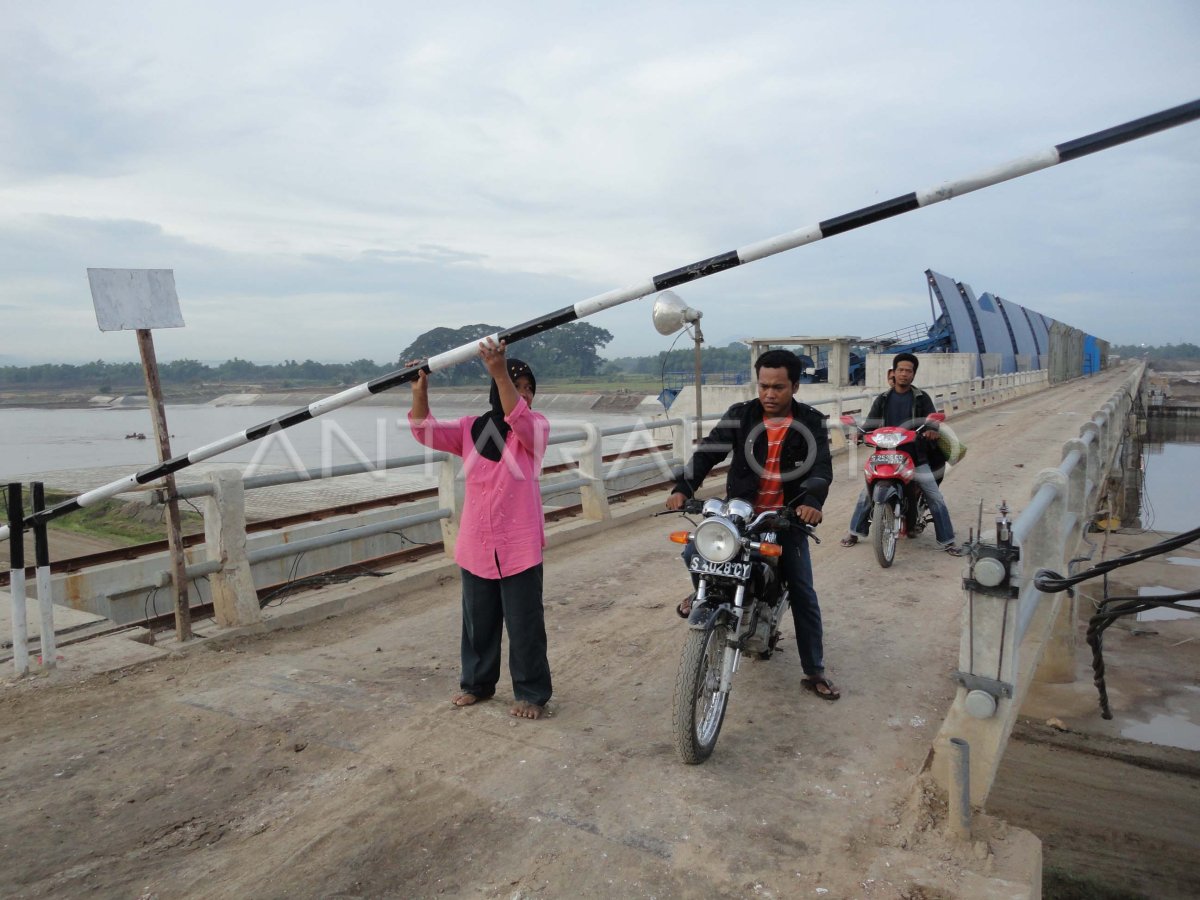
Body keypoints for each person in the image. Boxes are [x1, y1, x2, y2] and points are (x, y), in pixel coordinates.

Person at [665, 349, 840, 701]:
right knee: (693, 549)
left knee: (803, 591)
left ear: (795, 386)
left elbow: (821, 467)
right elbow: (708, 452)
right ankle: (704, 588)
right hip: (740, 514)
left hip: (784, 519)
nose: (769, 394)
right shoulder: (740, 415)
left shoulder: (811, 422)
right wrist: (684, 487)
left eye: (778, 387)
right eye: (763, 386)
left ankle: (814, 670)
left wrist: (811, 503)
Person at [409, 338, 553, 719]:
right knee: (478, 622)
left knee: (525, 625)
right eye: (515, 387)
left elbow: (517, 418)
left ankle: (531, 693)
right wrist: (420, 392)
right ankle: (476, 684)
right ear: (494, 390)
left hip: (518, 545)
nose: (524, 396)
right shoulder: (471, 429)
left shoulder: (535, 429)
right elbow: (425, 430)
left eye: (528, 390)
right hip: (477, 543)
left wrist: (500, 371)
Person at [840, 352, 962, 555]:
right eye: (901, 370)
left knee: (935, 497)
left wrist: (932, 429)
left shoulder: (921, 398)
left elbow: (932, 421)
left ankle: (947, 540)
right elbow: (870, 423)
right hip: (885, 455)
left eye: (909, 371)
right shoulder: (883, 399)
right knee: (866, 495)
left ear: (913, 375)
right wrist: (859, 433)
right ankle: (855, 531)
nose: (904, 374)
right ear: (894, 373)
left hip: (915, 456)